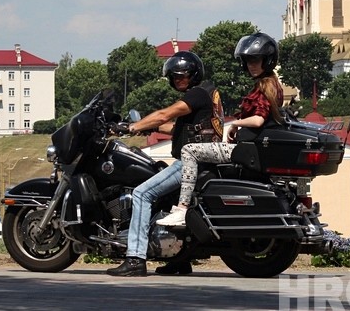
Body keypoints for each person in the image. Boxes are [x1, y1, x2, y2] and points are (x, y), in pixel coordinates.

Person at [106, 51, 223, 277]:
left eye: (183, 75)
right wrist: (148, 127)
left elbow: (164, 115)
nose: (178, 79)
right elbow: (177, 128)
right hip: (202, 160)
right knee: (166, 199)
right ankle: (180, 260)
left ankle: (135, 258)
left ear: (194, 74)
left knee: (142, 194)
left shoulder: (197, 94)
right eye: (175, 76)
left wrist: (131, 127)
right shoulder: (207, 92)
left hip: (190, 163)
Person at [156, 32, 283, 227]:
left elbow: (258, 120)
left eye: (255, 60)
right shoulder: (270, 84)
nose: (251, 65)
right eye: (248, 61)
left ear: (267, 61)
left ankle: (182, 209)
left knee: (189, 150)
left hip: (247, 150)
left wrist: (236, 124)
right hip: (251, 148)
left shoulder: (266, 86)